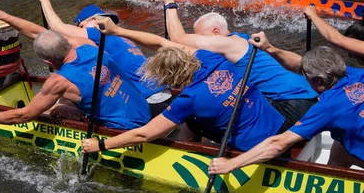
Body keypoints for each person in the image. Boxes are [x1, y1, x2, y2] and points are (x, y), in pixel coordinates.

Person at [81, 18, 287, 155]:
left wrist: (100, 145)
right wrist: (116, 30)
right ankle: (195, 146)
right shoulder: (211, 58)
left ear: (171, 78)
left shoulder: (189, 99)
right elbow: (162, 43)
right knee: (197, 121)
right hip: (281, 126)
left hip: (257, 148)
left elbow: (145, 134)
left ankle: (193, 152)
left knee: (191, 119)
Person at [0, 3, 151, 130]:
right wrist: (0, 14)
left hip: (124, 128)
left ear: (48, 63)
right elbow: (38, 33)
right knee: (64, 100)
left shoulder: (58, 82)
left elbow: (25, 116)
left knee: (53, 109)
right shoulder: (87, 45)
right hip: (144, 110)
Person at [162, 0, 318, 126]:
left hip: (291, 105)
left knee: (200, 114)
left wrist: (169, 1)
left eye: (200, 37)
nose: (197, 43)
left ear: (216, 32)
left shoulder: (229, 43)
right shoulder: (241, 39)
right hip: (310, 100)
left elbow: (178, 38)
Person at [209, 46, 364, 175]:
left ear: (318, 81)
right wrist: (269, 48)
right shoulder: (356, 73)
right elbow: (298, 63)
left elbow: (278, 143)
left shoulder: (326, 107)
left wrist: (231, 164)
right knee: (339, 148)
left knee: (341, 148)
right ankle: (333, 182)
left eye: (307, 79)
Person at [34, 0, 172, 118]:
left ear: (94, 20)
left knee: (64, 105)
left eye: (81, 26)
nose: (80, 32)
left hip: (150, 103)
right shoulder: (120, 37)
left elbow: (58, 28)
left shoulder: (99, 33)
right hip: (165, 99)